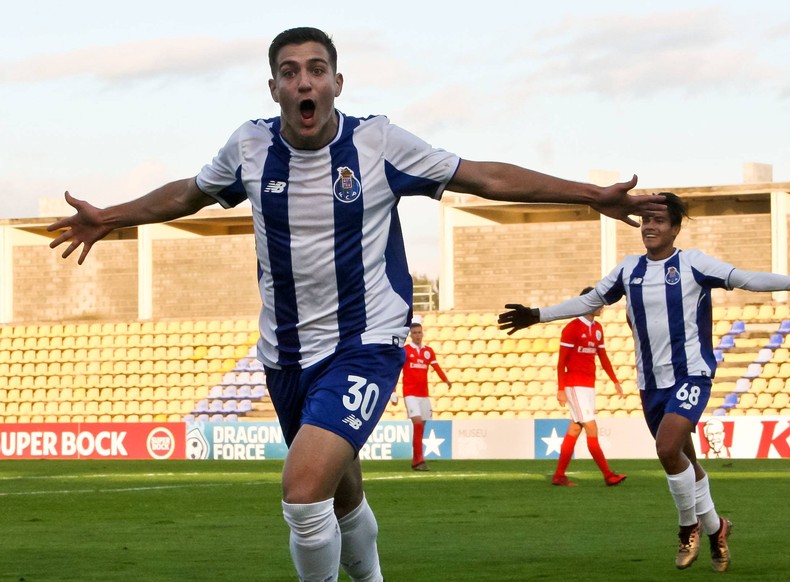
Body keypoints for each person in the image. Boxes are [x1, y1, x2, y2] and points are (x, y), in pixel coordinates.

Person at [47, 27, 666, 582]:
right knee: (340, 498)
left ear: (337, 82)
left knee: (301, 488)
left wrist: (590, 195)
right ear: (274, 89)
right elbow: (189, 192)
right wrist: (112, 216)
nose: (304, 81)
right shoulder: (249, 148)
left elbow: (484, 177)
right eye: (290, 72)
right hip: (284, 357)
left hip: (365, 344)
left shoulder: (378, 143)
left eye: (316, 69)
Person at [498, 192, 790, 573]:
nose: (650, 226)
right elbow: (591, 300)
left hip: (691, 373)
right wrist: (537, 314)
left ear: (675, 228)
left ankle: (688, 527)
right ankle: (718, 529)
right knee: (686, 461)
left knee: (667, 450)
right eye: (646, 220)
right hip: (651, 382)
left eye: (660, 221)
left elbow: (745, 278)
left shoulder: (693, 263)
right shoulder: (628, 269)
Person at [551, 287, 627, 487]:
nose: (602, 306)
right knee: (591, 427)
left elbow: (602, 356)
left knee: (575, 429)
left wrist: (615, 380)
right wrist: (561, 389)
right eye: (599, 302)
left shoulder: (598, 329)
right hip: (575, 385)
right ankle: (608, 475)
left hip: (588, 386)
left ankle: (559, 475)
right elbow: (562, 362)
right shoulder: (572, 328)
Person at [394, 321, 450, 471]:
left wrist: (446, 380)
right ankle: (419, 460)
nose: (417, 335)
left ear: (422, 333)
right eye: (415, 333)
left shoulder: (428, 351)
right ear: (411, 335)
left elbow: (436, 367)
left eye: (419, 332)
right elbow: (396, 371)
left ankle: (416, 460)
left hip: (424, 395)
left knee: (421, 427)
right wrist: (393, 391)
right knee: (417, 423)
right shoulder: (405, 351)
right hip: (410, 393)